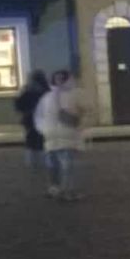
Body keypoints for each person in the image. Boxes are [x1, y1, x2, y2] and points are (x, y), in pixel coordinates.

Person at [34, 69, 87, 199]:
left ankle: (61, 189)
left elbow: (39, 116)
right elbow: (39, 116)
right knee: (60, 166)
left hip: (60, 135)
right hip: (60, 135)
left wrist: (44, 130)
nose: (59, 81)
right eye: (57, 78)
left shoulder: (49, 96)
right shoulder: (51, 97)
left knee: (60, 165)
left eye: (60, 78)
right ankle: (63, 190)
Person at [13, 70, 50, 173]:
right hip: (41, 119)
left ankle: (33, 162)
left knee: (32, 140)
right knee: (42, 140)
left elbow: (19, 105)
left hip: (31, 119)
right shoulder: (46, 91)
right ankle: (44, 161)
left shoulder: (28, 91)